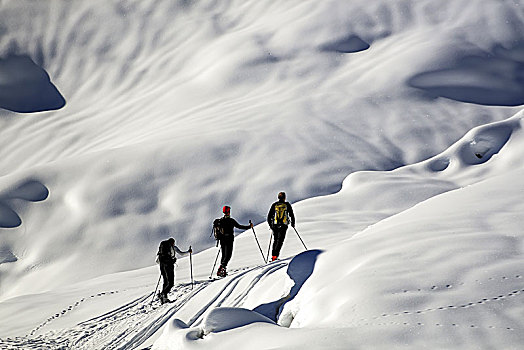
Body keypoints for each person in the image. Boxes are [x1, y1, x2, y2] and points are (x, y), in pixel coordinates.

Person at [213, 205, 253, 277]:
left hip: (222, 240)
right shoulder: (231, 221)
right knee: (228, 255)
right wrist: (249, 227)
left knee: (224, 255)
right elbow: (239, 226)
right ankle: (222, 269)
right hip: (229, 239)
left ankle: (221, 269)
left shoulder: (221, 221)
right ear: (229, 212)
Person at [156, 237, 192, 304]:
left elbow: (157, 261)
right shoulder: (173, 248)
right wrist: (188, 251)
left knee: (166, 281)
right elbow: (181, 253)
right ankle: (163, 294)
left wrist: (163, 263)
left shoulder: (162, 249)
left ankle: (164, 297)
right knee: (171, 282)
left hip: (162, 265)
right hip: (169, 266)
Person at [267, 192, 295, 261]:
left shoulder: (274, 205)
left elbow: (269, 216)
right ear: (284, 198)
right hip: (283, 225)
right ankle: (276, 256)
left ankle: (273, 256)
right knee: (280, 241)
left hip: (275, 225)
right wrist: (293, 223)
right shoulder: (287, 205)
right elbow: (291, 214)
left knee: (275, 240)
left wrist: (271, 225)